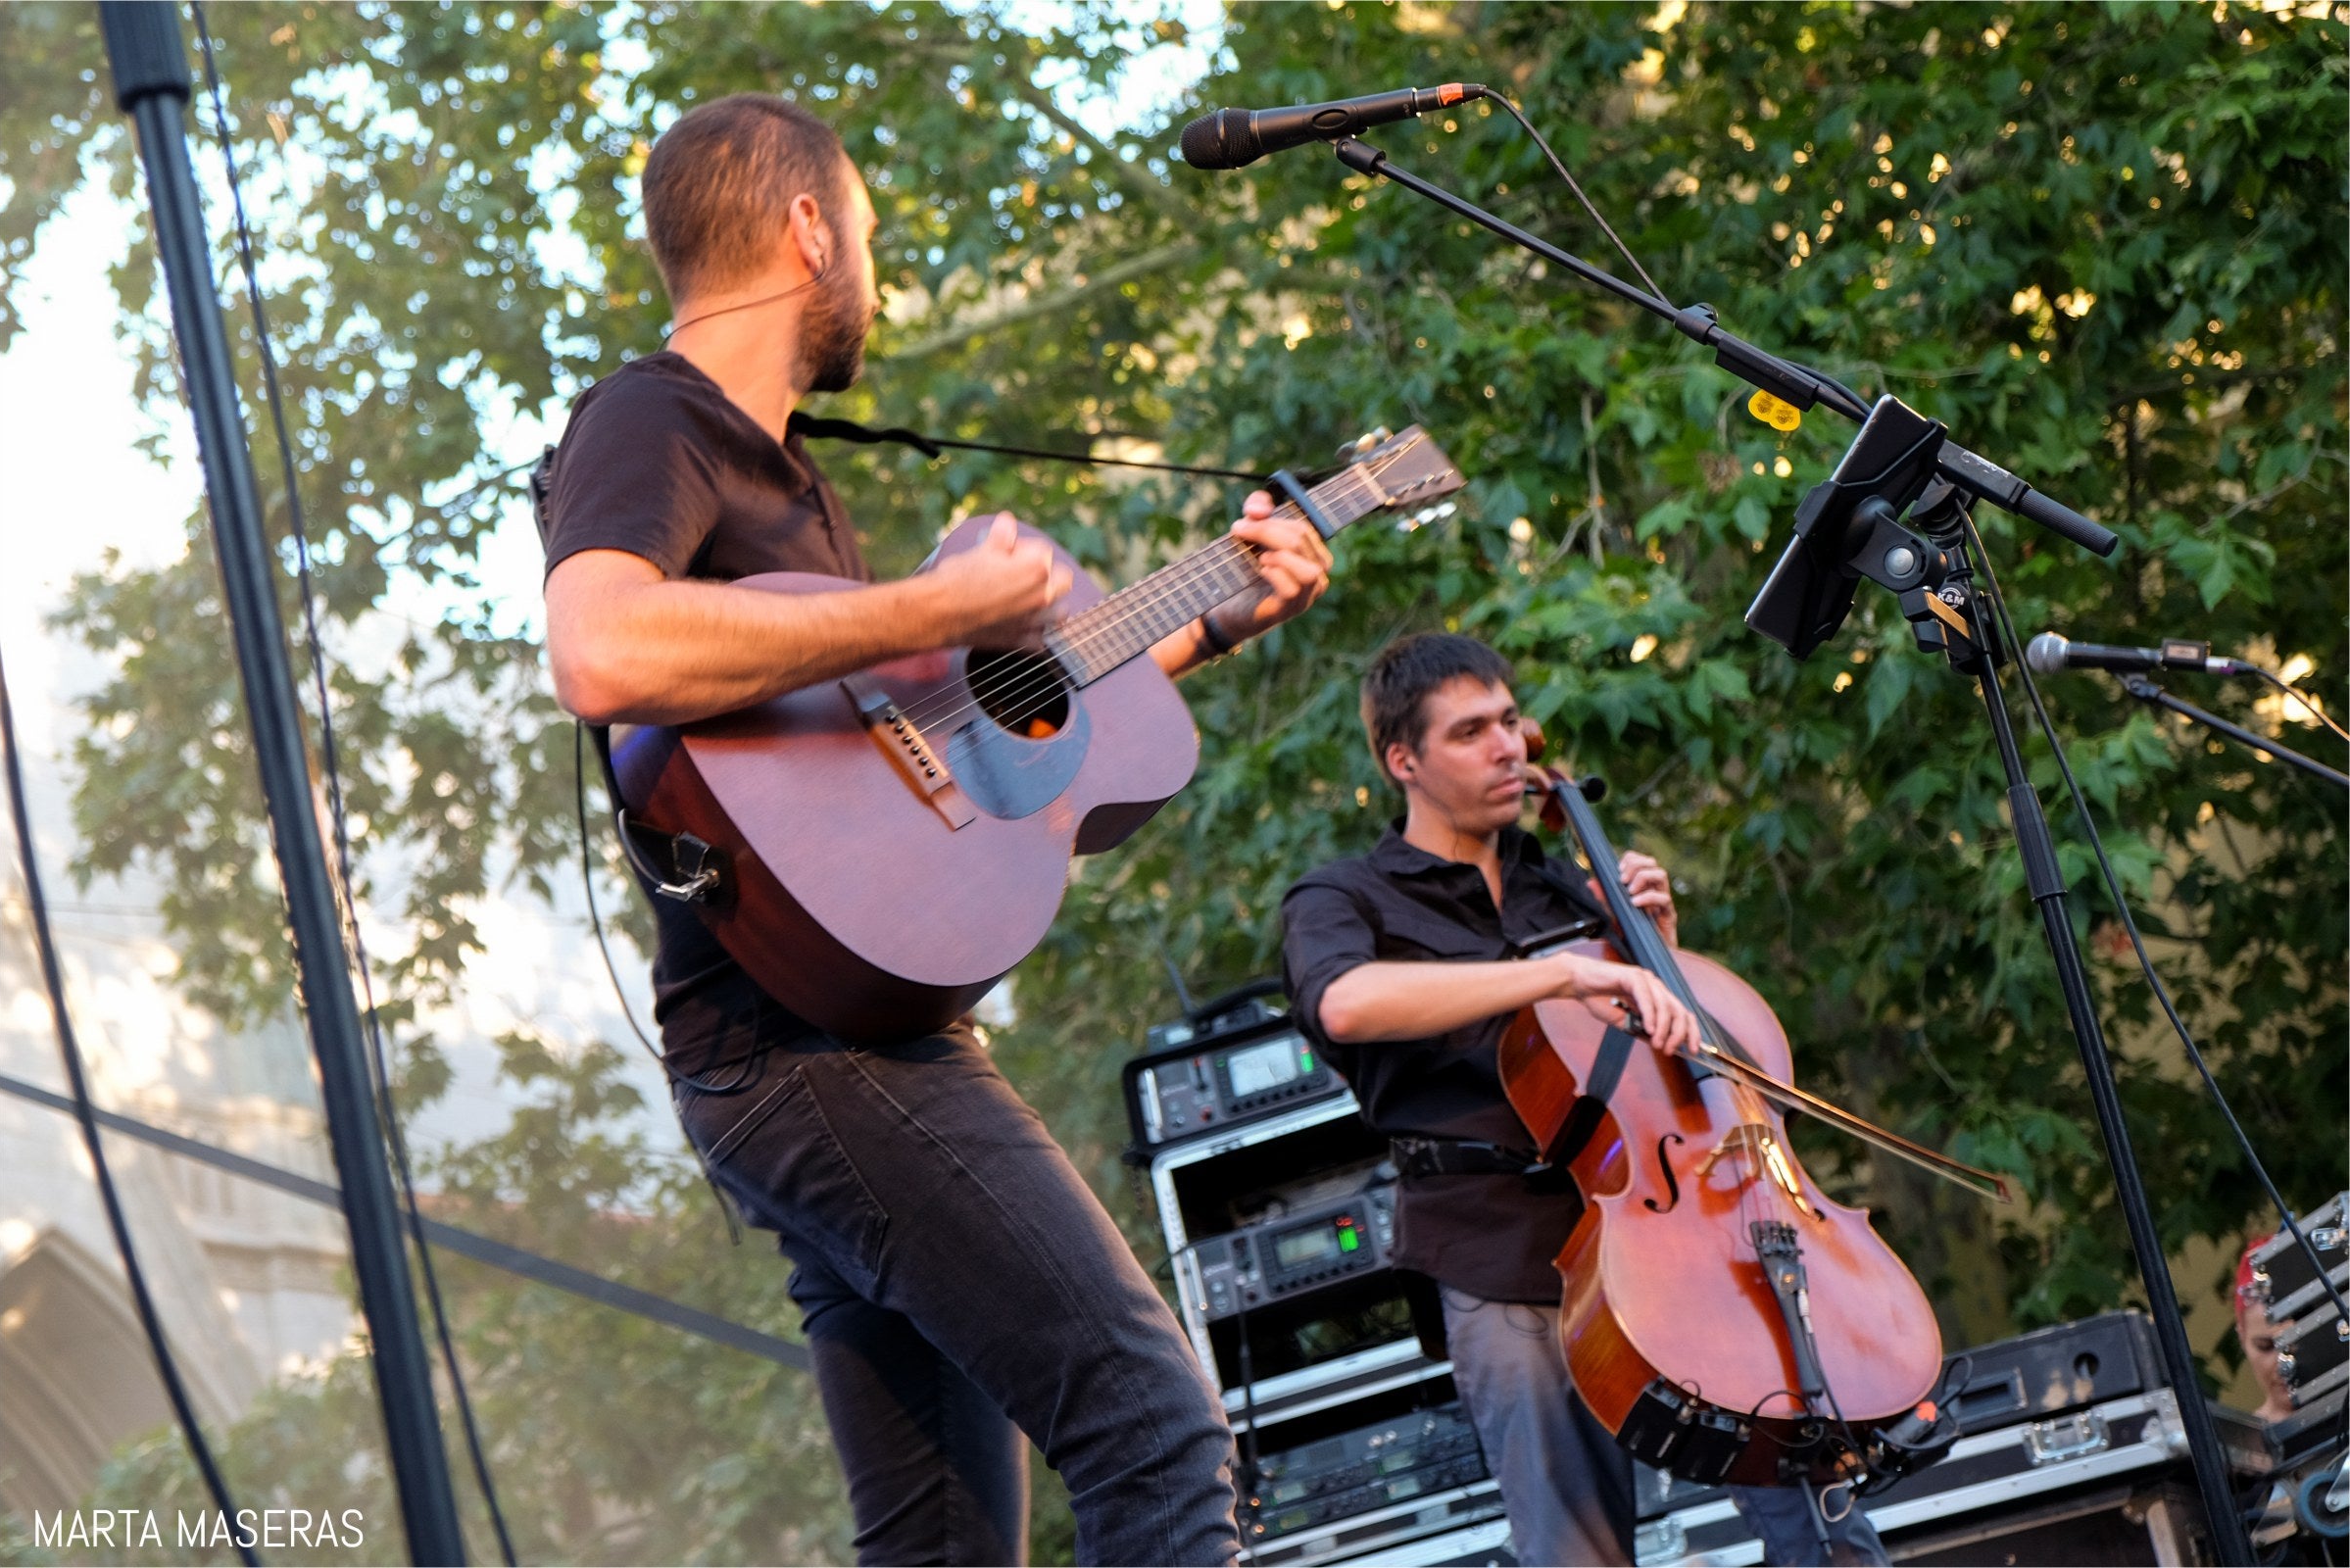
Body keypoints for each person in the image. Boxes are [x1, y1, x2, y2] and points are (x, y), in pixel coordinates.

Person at [540, 94, 1335, 1566]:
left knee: (945, 1545)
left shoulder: (788, 490)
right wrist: (931, 607)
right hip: (817, 1058)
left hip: (807, 1048)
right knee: (1154, 1430)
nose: (876, 280)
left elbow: (958, 739)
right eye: (872, 241)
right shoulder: (649, 418)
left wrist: (1214, 611)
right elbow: (598, 652)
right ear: (804, 231)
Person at [1279, 631, 1889, 1567]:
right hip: (1501, 1254)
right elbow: (1346, 1003)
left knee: (1822, 1521)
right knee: (1576, 1552)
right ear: (1403, 760)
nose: (1508, 747)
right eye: (1471, 731)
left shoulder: (1563, 883)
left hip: (1681, 1243)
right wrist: (1551, 975)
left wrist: (1657, 949)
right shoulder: (1344, 898)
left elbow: (1691, 1071)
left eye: (1510, 721)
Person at [2234, 1236, 2296, 1423]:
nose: (2284, 1362)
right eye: (2265, 1346)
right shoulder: (2238, 1449)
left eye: (2295, 1344)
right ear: (2241, 1338)